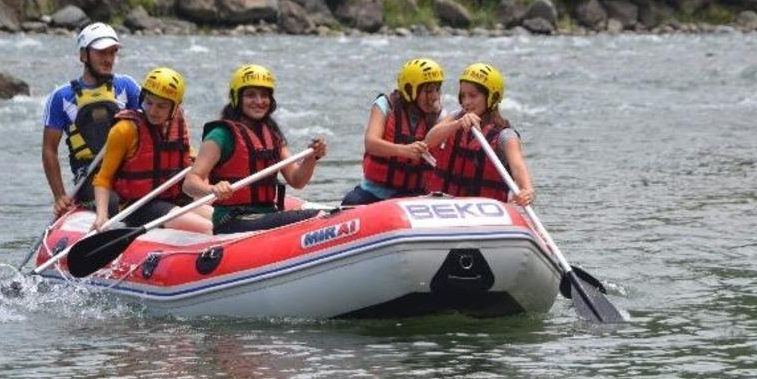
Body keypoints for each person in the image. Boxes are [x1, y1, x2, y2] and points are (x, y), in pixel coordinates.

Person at [184, 64, 327, 234]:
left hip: (266, 214)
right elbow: (190, 183)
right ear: (237, 98)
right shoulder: (221, 135)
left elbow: (297, 180)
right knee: (318, 216)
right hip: (232, 219)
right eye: (251, 95)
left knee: (326, 215)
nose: (259, 101)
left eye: (264, 95)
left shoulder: (272, 134)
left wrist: (312, 158)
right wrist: (212, 189)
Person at [91, 67, 213, 234]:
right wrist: (102, 216)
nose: (153, 111)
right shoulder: (124, 129)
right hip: (139, 207)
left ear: (174, 108)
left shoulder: (178, 125)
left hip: (174, 200)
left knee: (218, 219)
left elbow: (189, 161)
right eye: (149, 102)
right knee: (207, 228)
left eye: (162, 106)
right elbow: (103, 179)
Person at [42, 22, 141, 218]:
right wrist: (60, 196)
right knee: (112, 203)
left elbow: (149, 123)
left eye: (112, 53)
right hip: (89, 178)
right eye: (101, 53)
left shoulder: (126, 87)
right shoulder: (61, 96)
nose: (108, 59)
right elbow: (49, 150)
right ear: (83, 55)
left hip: (126, 170)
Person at [340, 58, 447, 206]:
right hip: (375, 192)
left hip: (414, 194)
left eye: (437, 90)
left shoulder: (439, 116)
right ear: (410, 90)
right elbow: (371, 143)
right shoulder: (384, 105)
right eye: (428, 91)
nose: (434, 96)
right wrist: (403, 150)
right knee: (350, 202)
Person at [424, 63, 535, 206]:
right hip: (445, 204)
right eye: (463, 96)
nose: (466, 102)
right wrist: (457, 124)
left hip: (482, 211)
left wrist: (527, 191)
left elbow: (518, 166)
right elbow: (429, 141)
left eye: (473, 96)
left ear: (492, 97)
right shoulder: (456, 117)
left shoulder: (505, 135)